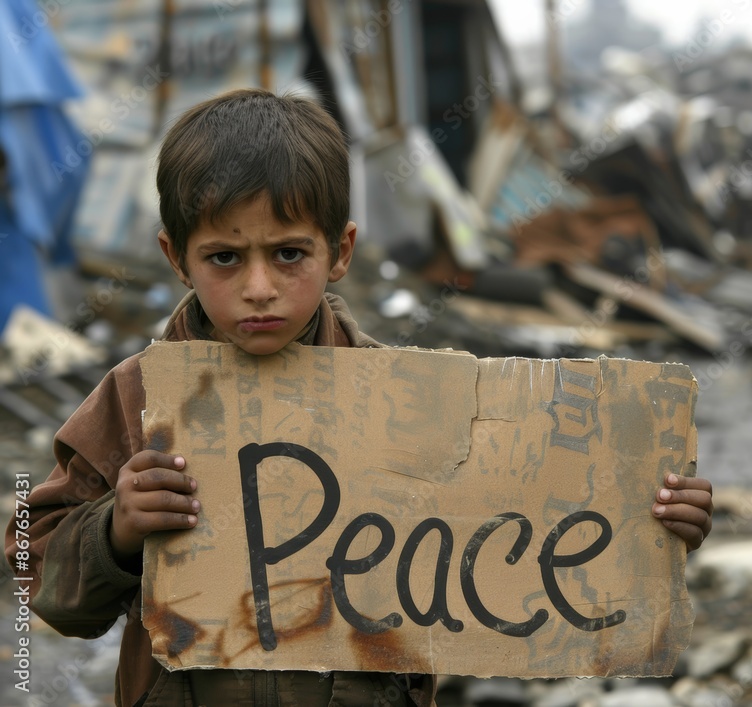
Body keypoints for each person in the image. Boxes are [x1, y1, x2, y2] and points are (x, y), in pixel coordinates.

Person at [4, 88, 713, 707]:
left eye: (289, 253)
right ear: (176, 258)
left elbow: (512, 546)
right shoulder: (135, 400)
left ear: (339, 251)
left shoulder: (414, 401)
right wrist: (116, 531)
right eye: (225, 257)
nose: (258, 286)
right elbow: (34, 561)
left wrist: (642, 527)